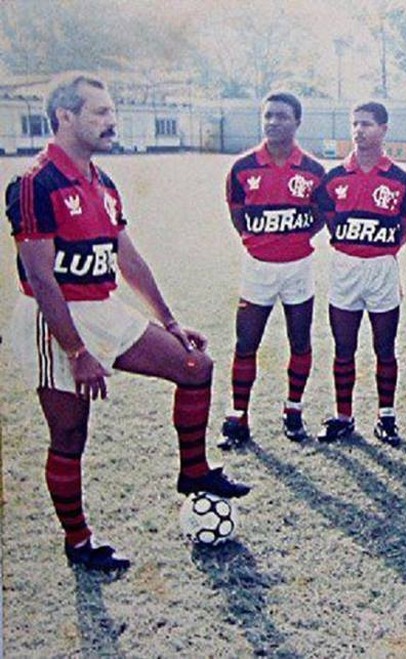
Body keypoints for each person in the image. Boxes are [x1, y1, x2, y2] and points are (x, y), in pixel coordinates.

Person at [5, 74, 250, 573]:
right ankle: (78, 541)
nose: (111, 121)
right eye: (98, 112)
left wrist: (169, 319)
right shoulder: (35, 182)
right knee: (71, 437)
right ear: (64, 117)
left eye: (111, 111)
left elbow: (127, 258)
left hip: (103, 307)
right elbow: (41, 277)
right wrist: (76, 353)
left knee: (194, 365)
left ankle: (195, 472)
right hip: (53, 319)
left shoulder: (102, 180)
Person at [219, 92, 328, 449]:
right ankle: (238, 417)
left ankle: (293, 411)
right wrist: (259, 242)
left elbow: (320, 216)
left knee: (299, 341)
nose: (273, 122)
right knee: (246, 342)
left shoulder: (314, 171)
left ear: (297, 121)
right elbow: (238, 214)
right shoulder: (242, 167)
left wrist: (293, 240)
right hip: (257, 269)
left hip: (298, 267)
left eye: (281, 116)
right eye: (268, 116)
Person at [317, 101, 406, 446]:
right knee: (344, 348)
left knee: (384, 347)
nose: (360, 130)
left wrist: (378, 249)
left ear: (384, 129)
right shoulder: (334, 177)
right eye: (355, 123)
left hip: (382, 269)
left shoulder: (401, 179)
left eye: (368, 124)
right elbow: (330, 219)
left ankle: (386, 416)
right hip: (345, 268)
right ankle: (343, 416)